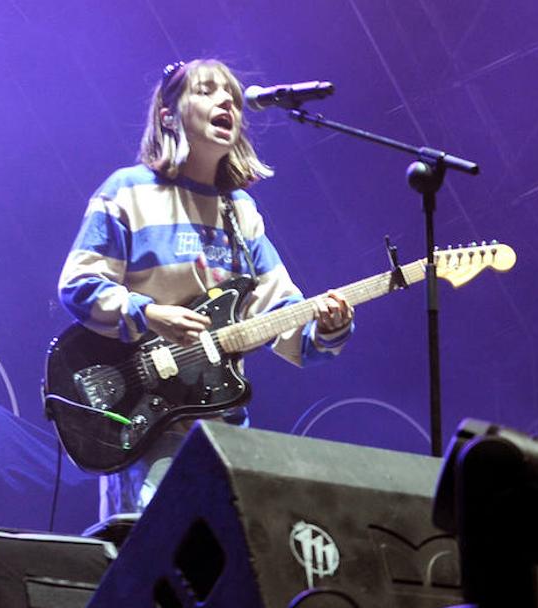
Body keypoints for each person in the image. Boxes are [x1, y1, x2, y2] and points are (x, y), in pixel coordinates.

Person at [57, 59, 354, 523]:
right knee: (150, 556)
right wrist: (149, 314)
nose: (228, 103)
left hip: (223, 430)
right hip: (146, 420)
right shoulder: (128, 191)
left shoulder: (241, 211)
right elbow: (77, 285)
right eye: (208, 91)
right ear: (168, 114)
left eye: (234, 97)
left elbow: (283, 317)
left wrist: (328, 328)